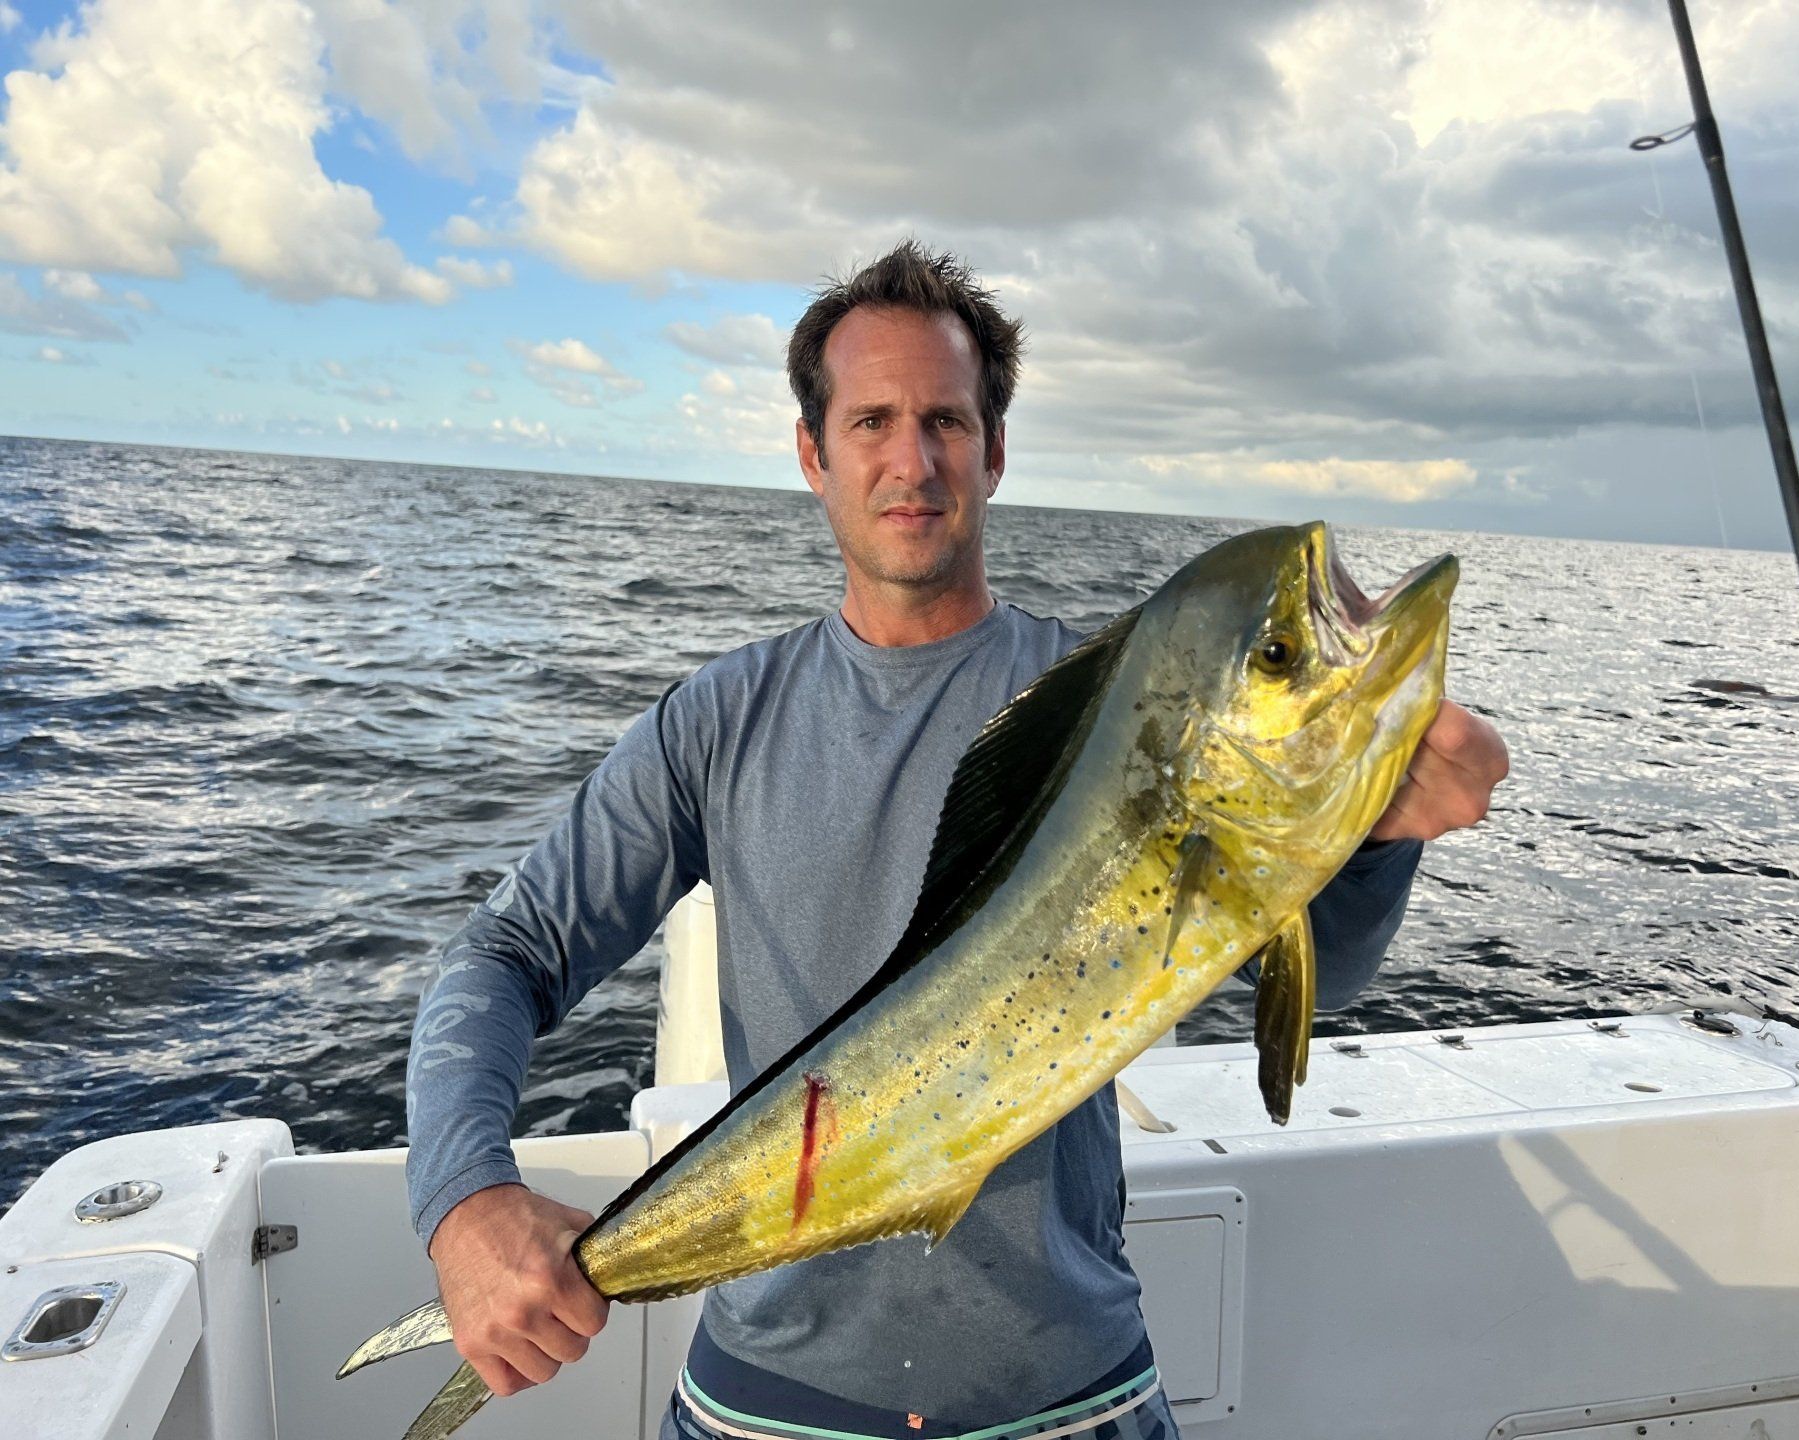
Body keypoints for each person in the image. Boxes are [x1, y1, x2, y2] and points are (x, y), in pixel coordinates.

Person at [404, 241, 1510, 1440]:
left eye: (946, 417)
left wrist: (1376, 834)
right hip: (767, 1409)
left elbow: (1320, 978)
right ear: (812, 454)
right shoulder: (716, 723)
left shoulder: (1116, 708)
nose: (912, 458)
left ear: (995, 450)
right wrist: (467, 1200)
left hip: (1076, 1396)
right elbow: (505, 952)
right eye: (872, 419)